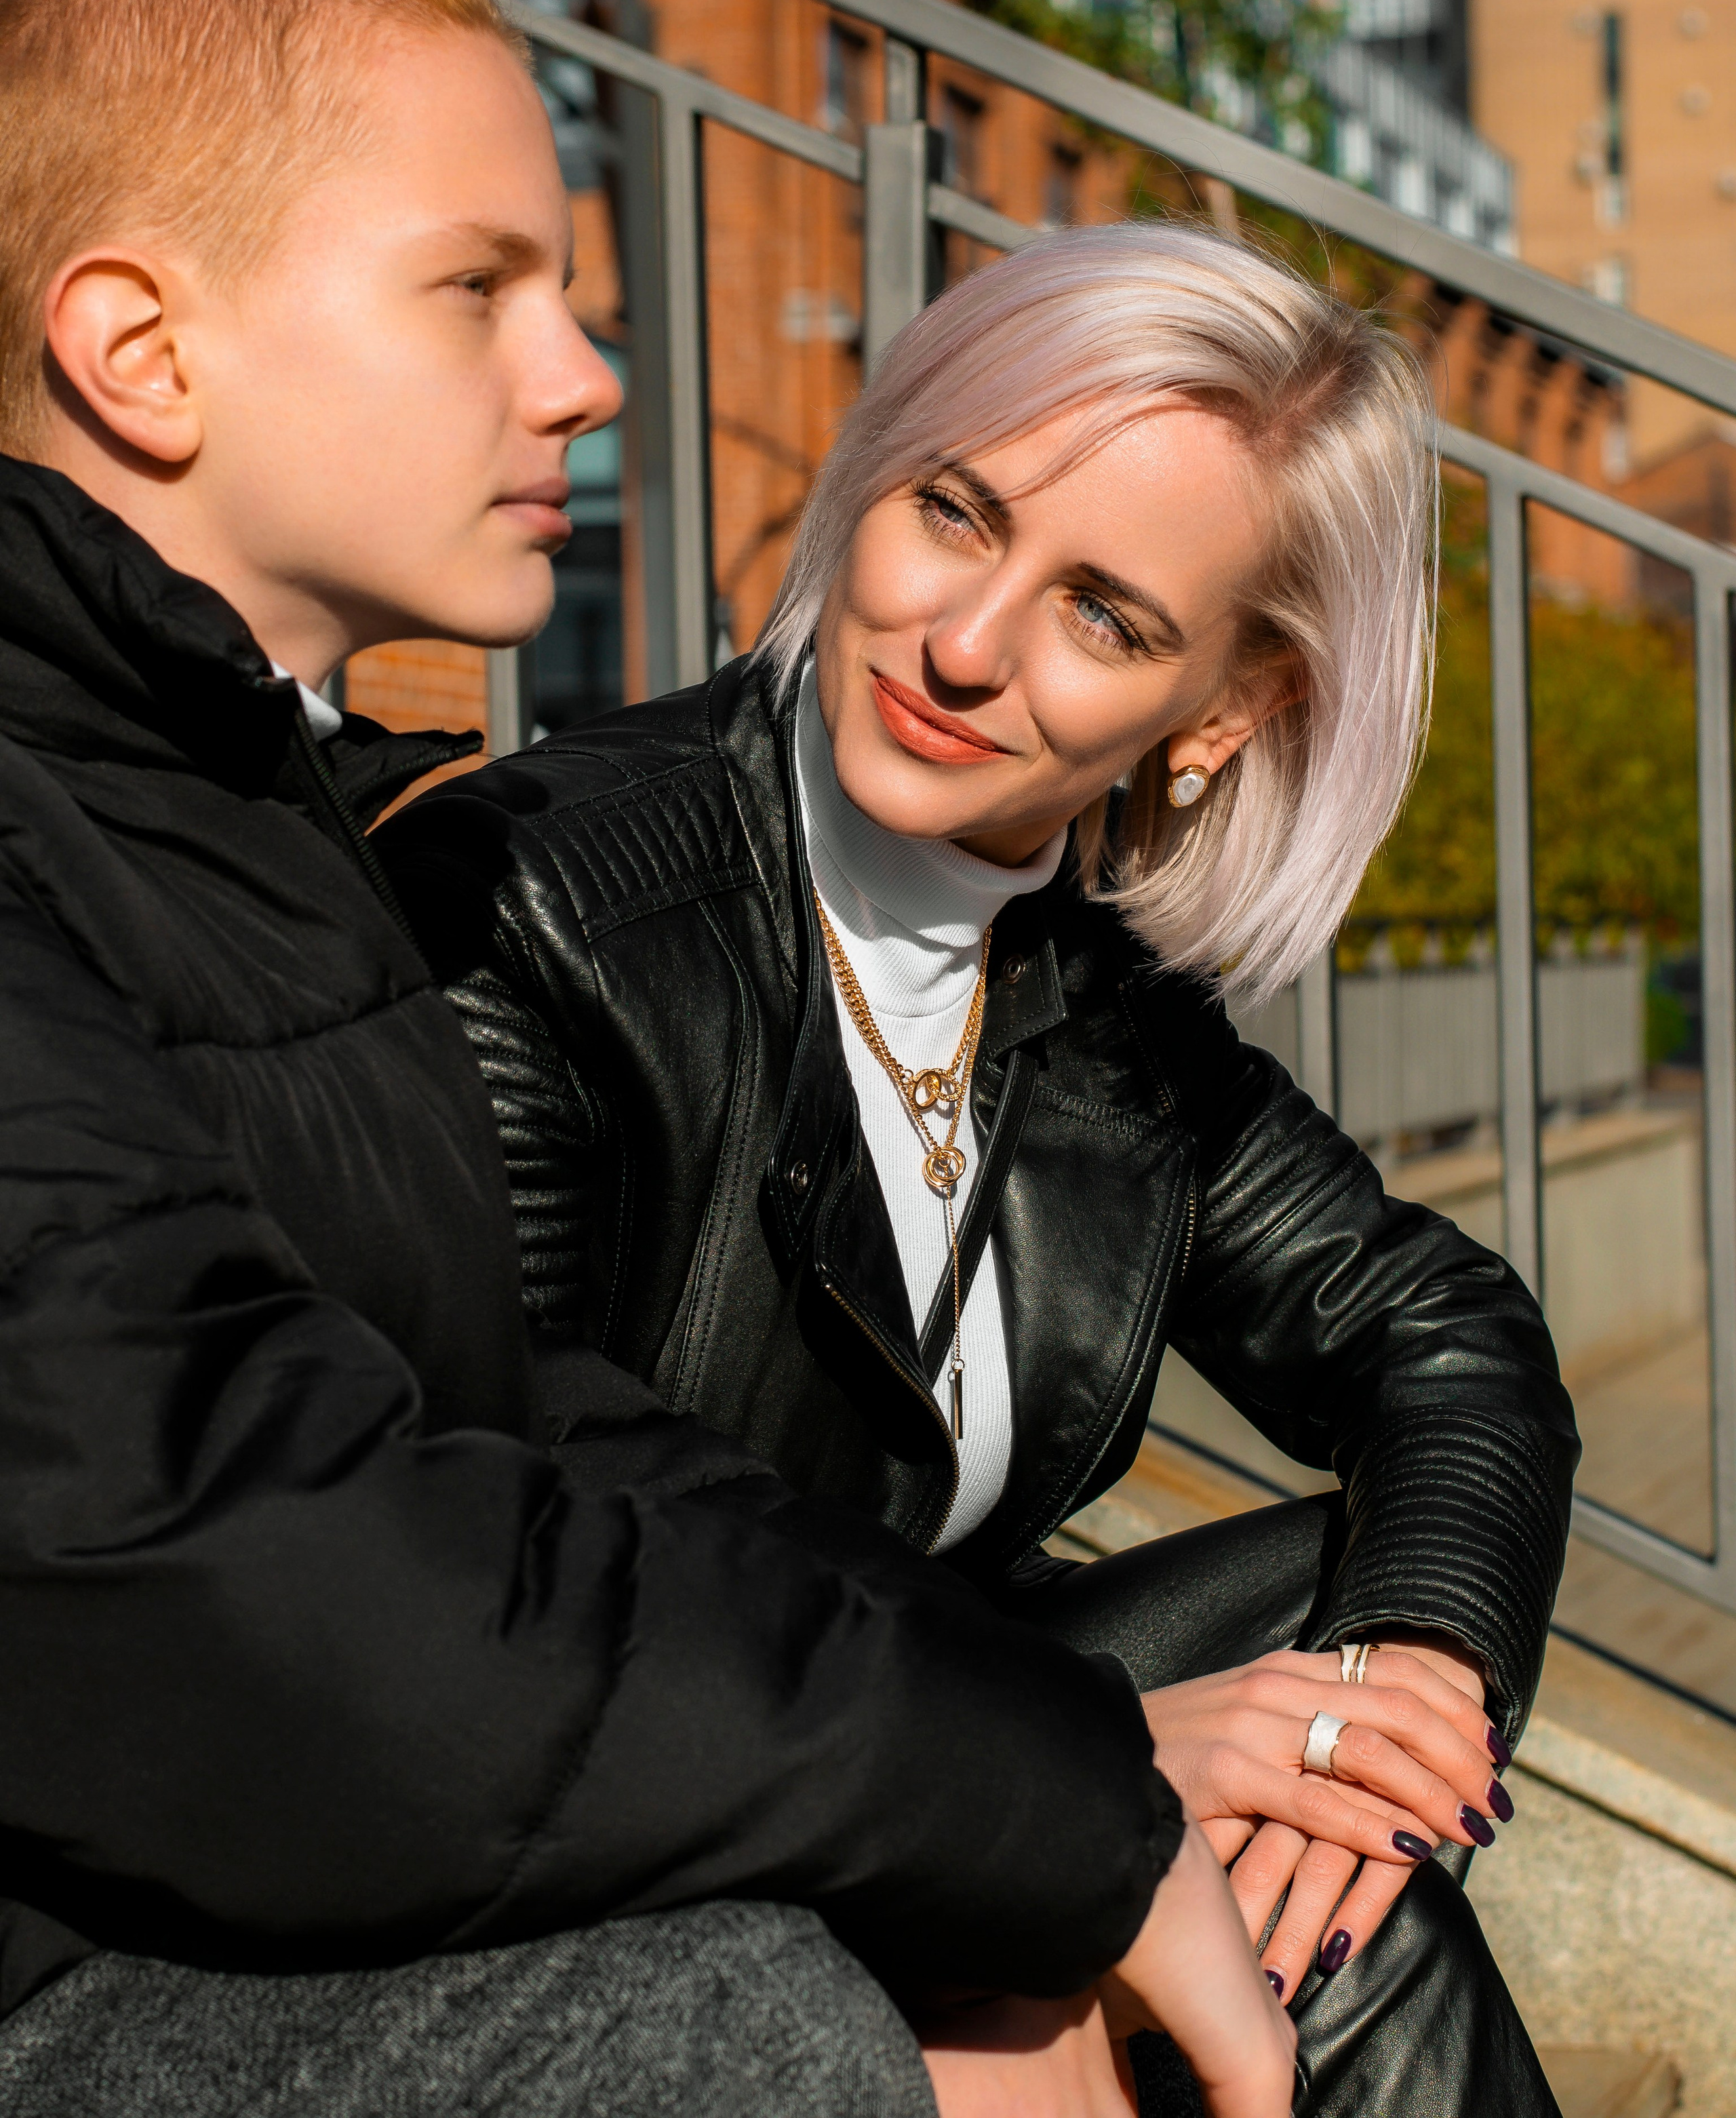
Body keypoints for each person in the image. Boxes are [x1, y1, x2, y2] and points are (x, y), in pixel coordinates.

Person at [0, 0, 1301, 2118]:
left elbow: (492, 1417)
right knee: (743, 2032)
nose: (585, 375)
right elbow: (241, 1568)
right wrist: (1025, 1823)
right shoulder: (374, 845)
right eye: (482, 287)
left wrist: (1050, 1782)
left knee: (1254, 1890)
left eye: (574, 291)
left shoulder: (243, 800)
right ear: (145, 350)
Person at [381, 221, 1583, 2117]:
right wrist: (1069, 1764)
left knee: (1332, 1858)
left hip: (906, 1768)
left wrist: (1416, 1665)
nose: (963, 644)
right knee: (1314, 1923)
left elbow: (1436, 1330)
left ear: (1223, 716)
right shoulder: (546, 909)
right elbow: (505, 1540)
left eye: (1104, 615)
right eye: (955, 511)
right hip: (623, 1832)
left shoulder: (1101, 1015)